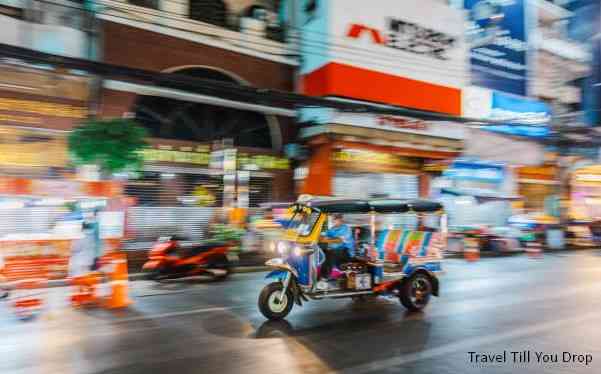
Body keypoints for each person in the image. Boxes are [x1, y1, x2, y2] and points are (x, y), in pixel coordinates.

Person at [320, 213, 355, 279]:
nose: (333, 220)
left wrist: (327, 239)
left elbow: (339, 240)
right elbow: (322, 237)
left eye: (335, 219)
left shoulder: (346, 228)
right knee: (323, 252)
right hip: (336, 252)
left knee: (331, 253)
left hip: (346, 252)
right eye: (333, 219)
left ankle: (324, 276)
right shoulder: (332, 229)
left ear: (340, 219)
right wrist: (323, 238)